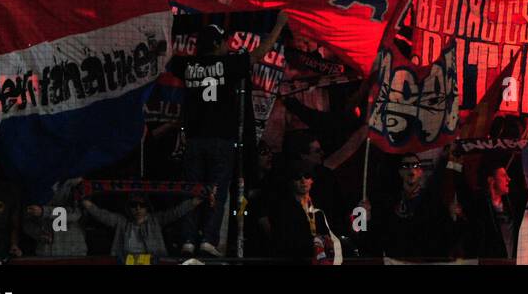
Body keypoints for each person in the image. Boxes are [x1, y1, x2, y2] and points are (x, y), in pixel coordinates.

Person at [167, 19, 283, 256]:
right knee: (217, 191)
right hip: (221, 140)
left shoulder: (187, 64)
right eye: (224, 42)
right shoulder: (229, 63)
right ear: (218, 43)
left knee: (192, 190)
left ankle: (188, 239)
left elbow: (165, 56)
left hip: (194, 139)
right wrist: (279, 25)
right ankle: (208, 239)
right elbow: (259, 54)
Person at [360, 154, 456, 260]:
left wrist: (453, 216)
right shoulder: (389, 201)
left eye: (415, 165)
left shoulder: (433, 201)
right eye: (406, 166)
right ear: (400, 172)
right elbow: (372, 239)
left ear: (421, 172)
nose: (411, 169)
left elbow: (448, 237)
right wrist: (365, 219)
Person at [82, 191, 204, 261]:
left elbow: (176, 212)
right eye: (134, 205)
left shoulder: (155, 220)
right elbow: (101, 215)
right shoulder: (122, 222)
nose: (138, 208)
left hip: (152, 261)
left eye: (142, 205)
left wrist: (195, 201)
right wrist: (85, 202)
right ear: (129, 207)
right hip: (127, 262)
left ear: (147, 207)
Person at [271, 160, 341, 264]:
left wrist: (327, 239)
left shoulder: (319, 206)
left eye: (307, 176)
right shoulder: (284, 207)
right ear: (291, 181)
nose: (303, 181)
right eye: (298, 177)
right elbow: (285, 240)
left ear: (312, 180)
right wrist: (312, 241)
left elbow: (328, 231)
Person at [461, 163, 526, 261]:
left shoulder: (511, 204)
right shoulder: (479, 206)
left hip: (510, 261)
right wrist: (454, 161)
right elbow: (460, 186)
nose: (508, 179)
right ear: (491, 180)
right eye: (504, 176)